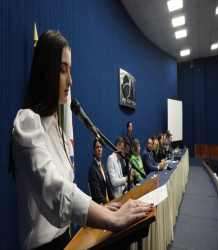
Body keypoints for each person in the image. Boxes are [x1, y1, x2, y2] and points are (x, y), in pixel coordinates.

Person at [8, 30, 152, 250]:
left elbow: (68, 186)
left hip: (65, 239)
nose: (70, 80)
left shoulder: (57, 127)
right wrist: (109, 218)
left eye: (70, 70)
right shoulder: (27, 122)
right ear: (46, 73)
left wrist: (100, 209)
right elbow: (55, 192)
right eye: (62, 70)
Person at [88, 139, 116, 206]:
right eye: (97, 147)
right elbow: (97, 195)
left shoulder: (102, 167)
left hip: (107, 203)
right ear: (94, 151)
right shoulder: (92, 169)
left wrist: (116, 201)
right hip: (101, 207)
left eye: (101, 147)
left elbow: (109, 188)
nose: (99, 149)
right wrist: (109, 204)